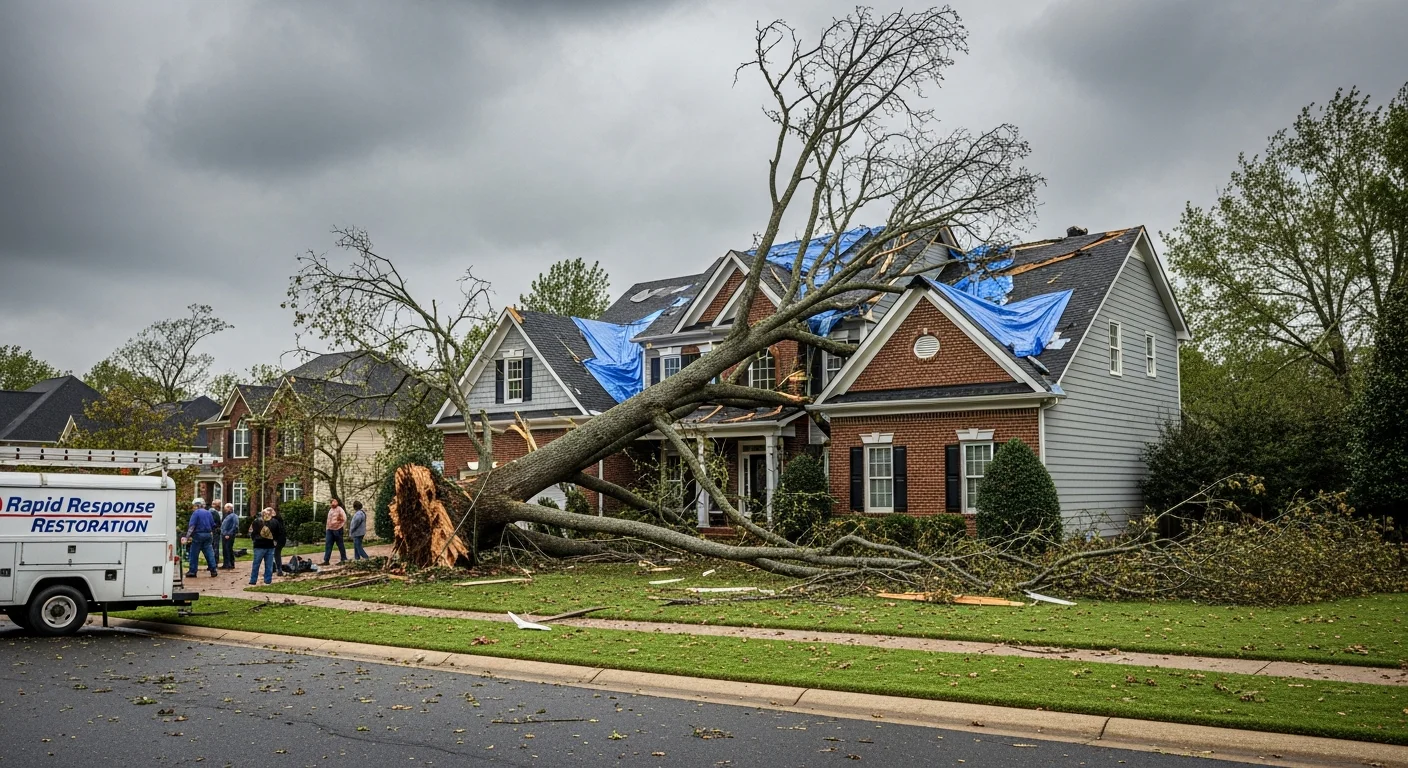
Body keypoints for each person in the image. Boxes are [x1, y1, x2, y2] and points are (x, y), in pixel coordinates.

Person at [248, 507, 283, 586]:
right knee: (269, 565)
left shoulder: (256, 521)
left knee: (256, 564)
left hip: (259, 545)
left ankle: (253, 580)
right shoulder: (275, 522)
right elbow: (278, 532)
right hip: (270, 545)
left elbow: (252, 532)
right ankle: (267, 581)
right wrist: (275, 541)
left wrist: (254, 540)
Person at [184, 498, 218, 578]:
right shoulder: (208, 513)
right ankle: (213, 570)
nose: (193, 507)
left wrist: (187, 537)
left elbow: (192, 526)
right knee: (209, 553)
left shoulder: (196, 513)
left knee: (194, 554)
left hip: (198, 535)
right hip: (208, 535)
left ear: (197, 505)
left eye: (194, 506)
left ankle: (192, 571)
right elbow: (213, 525)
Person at [322, 498, 348, 565]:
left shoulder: (340, 509)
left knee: (340, 544)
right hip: (330, 530)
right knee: (328, 545)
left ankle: (344, 559)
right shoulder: (330, 510)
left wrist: (340, 521)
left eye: (335, 502)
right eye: (332, 502)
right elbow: (328, 520)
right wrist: (327, 528)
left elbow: (344, 518)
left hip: (338, 529)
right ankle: (326, 560)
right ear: (331, 504)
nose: (334, 503)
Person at [219, 502, 239, 570]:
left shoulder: (234, 516)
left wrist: (229, 534)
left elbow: (235, 526)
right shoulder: (227, 516)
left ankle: (230, 564)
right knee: (225, 549)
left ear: (229, 508)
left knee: (228, 549)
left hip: (229, 535)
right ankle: (226, 564)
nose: (225, 510)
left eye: (226, 508)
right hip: (224, 535)